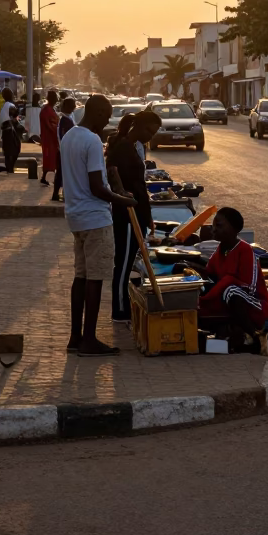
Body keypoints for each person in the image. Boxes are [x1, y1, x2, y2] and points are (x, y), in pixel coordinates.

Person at [60, 94, 135, 356]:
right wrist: (123, 201)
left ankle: (75, 337)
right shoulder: (91, 140)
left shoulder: (69, 135)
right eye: (107, 115)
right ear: (99, 112)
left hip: (76, 216)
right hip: (95, 217)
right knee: (95, 278)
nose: (107, 121)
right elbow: (96, 186)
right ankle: (89, 340)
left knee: (81, 276)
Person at [106, 109, 162, 321]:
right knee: (123, 263)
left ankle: (123, 306)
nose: (151, 136)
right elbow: (111, 170)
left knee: (127, 262)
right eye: (150, 130)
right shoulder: (122, 146)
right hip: (127, 214)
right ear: (138, 125)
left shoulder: (132, 147)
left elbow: (140, 184)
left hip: (137, 213)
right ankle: (119, 310)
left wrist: (147, 215)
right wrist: (121, 192)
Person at [197, 207, 268, 348]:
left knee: (230, 291)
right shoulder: (220, 251)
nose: (214, 229)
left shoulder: (245, 250)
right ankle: (231, 339)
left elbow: (250, 289)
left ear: (234, 229)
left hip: (255, 304)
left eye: (219, 226)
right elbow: (210, 275)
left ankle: (254, 335)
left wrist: (225, 283)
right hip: (232, 303)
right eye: (213, 225)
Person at [51, 97, 77, 202]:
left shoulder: (69, 118)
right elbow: (64, 137)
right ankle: (57, 194)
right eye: (72, 105)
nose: (74, 107)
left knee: (63, 173)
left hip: (65, 150)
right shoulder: (65, 120)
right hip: (65, 151)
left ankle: (60, 194)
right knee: (63, 173)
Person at [39, 88, 60, 187]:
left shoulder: (50, 109)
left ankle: (45, 177)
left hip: (53, 138)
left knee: (53, 158)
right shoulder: (46, 110)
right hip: (48, 138)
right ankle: (47, 177)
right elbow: (49, 125)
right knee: (49, 157)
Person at [0, 87, 21, 174]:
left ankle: (9, 168)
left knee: (8, 151)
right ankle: (10, 168)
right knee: (14, 150)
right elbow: (15, 116)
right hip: (10, 132)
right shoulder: (10, 105)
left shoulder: (5, 105)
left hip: (5, 131)